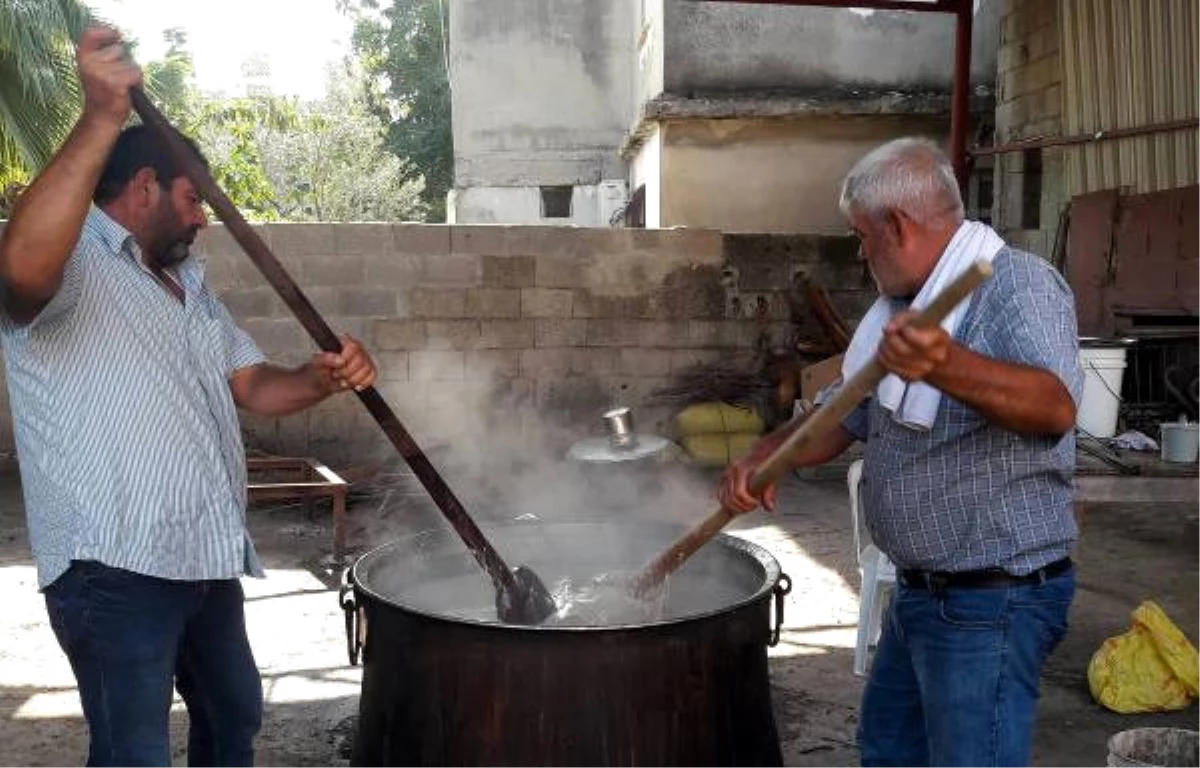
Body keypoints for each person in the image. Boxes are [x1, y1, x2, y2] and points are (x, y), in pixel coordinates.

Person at [0, 26, 378, 767]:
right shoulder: (72, 265)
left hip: (203, 560)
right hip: (113, 568)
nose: (204, 218)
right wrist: (102, 116)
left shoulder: (190, 288)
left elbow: (253, 387)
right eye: (192, 198)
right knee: (133, 752)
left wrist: (318, 377)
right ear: (144, 187)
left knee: (233, 718)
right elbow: (15, 269)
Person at [719, 137, 1083, 768]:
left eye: (862, 237)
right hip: (921, 594)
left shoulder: (1015, 286)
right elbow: (842, 415)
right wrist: (767, 454)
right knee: (889, 752)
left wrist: (944, 364)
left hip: (991, 601)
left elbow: (1054, 408)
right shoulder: (901, 311)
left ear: (896, 225)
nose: (861, 255)